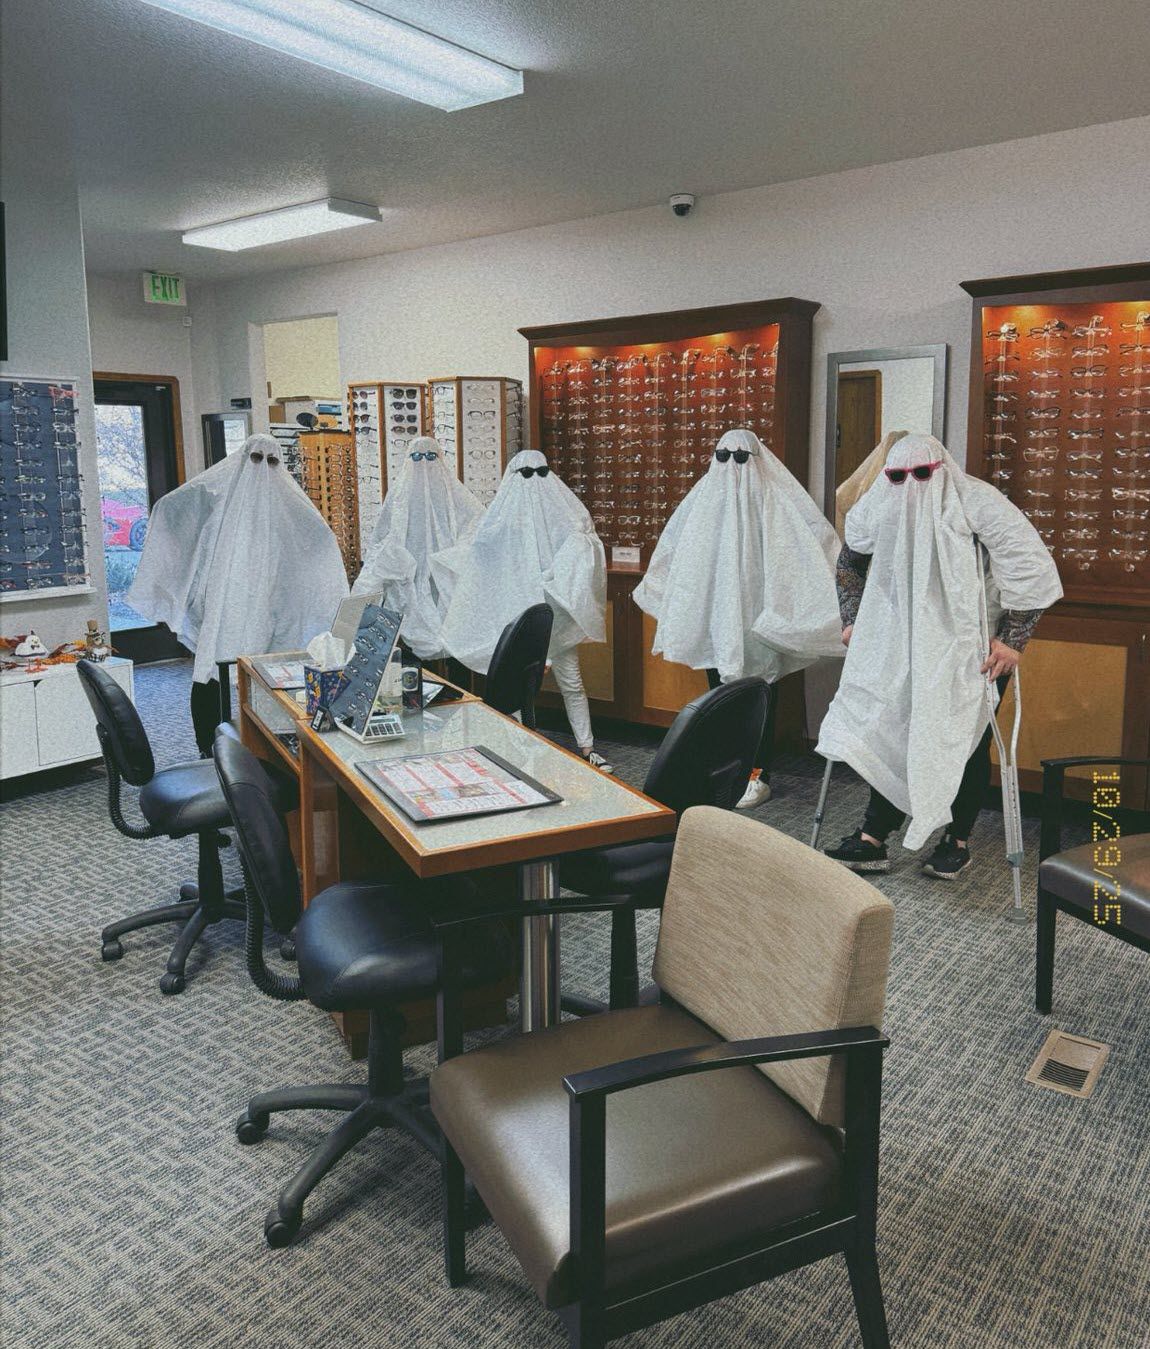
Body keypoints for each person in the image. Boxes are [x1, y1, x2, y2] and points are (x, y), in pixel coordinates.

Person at [817, 432, 1063, 878]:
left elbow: (1031, 566)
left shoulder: (978, 501)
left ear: (942, 468)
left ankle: (958, 840)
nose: (909, 484)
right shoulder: (878, 502)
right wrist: (852, 618)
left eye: (922, 474)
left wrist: (1013, 640)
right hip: (899, 641)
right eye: (897, 475)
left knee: (963, 738)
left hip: (970, 645)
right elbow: (849, 561)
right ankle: (874, 836)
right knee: (893, 728)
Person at [633, 428, 844, 807]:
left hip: (760, 625)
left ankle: (757, 772)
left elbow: (807, 547)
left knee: (758, 695)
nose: (733, 467)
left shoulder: (776, 501)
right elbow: (677, 553)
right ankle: (721, 765)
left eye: (741, 458)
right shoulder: (704, 502)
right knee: (719, 693)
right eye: (724, 457)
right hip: (716, 621)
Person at [128, 433, 348, 753]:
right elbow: (175, 513)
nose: (262, 470)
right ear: (242, 462)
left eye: (271, 462)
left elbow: (318, 542)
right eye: (255, 460)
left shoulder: (291, 509)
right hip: (224, 608)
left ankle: (269, 745)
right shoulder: (219, 508)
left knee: (270, 681)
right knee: (211, 674)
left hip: (273, 610)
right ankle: (210, 747)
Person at [433, 449, 613, 771]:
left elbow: (584, 547)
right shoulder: (503, 520)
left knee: (569, 683)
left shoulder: (565, 514)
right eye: (527, 475)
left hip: (557, 623)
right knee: (522, 689)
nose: (535, 482)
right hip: (522, 622)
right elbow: (482, 556)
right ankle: (521, 749)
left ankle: (588, 748)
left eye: (540, 473)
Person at [352, 437, 483, 660]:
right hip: (406, 584)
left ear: (440, 459)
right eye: (416, 458)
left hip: (448, 584)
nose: (423, 464)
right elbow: (383, 538)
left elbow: (477, 526)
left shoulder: (457, 496)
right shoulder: (398, 497)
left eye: (431, 457)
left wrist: (451, 559)